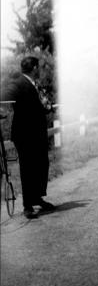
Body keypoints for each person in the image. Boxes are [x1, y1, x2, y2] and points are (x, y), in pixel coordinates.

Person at [0, 56, 54, 219]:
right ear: (35, 68)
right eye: (39, 67)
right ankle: (27, 205)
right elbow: (3, 95)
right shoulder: (19, 82)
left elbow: (36, 106)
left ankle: (37, 198)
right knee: (28, 168)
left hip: (37, 133)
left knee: (40, 165)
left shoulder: (33, 84)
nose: (40, 70)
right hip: (25, 135)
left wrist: (46, 106)